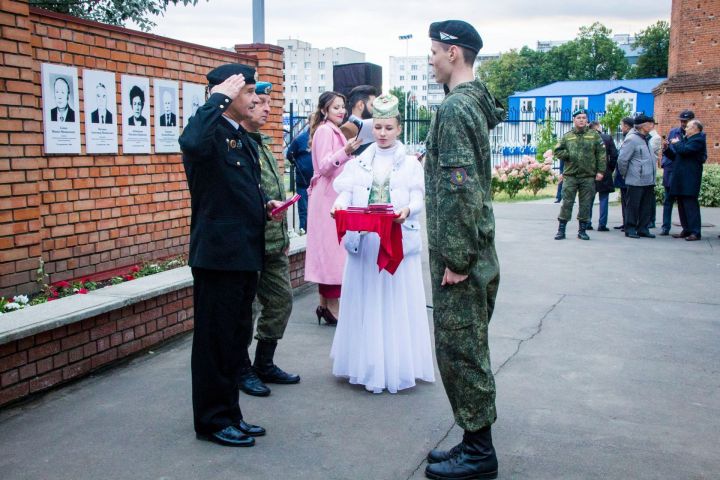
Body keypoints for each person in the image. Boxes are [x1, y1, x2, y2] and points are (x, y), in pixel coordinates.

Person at [179, 64, 284, 447]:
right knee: (214, 343)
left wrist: (265, 203)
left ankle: (230, 414)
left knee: (234, 341)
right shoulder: (208, 134)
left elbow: (235, 188)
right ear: (224, 94)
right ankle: (211, 420)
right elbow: (189, 142)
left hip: (244, 253)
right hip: (218, 259)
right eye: (248, 91)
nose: (256, 98)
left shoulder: (238, 136)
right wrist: (218, 96)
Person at [423, 20, 505, 480]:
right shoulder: (471, 105)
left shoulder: (456, 109)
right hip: (478, 250)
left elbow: (459, 188)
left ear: (453, 53)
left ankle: (479, 453)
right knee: (466, 346)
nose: (430, 60)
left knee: (462, 350)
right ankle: (473, 441)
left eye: (433, 51)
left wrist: (455, 258)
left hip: (464, 258)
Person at [329, 94, 435, 394]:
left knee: (395, 301)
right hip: (365, 244)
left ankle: (398, 365)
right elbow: (345, 193)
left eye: (388, 127)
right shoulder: (360, 160)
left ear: (399, 128)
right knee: (366, 300)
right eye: (378, 127)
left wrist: (408, 211)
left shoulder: (411, 163)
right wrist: (338, 207)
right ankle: (366, 365)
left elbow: (418, 197)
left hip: (396, 242)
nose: (383, 133)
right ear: (371, 128)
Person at [237, 81, 301, 397]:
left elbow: (275, 192)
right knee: (245, 311)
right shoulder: (236, 143)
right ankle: (241, 368)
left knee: (280, 301)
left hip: (274, 241)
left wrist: (285, 235)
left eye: (268, 103)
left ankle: (264, 362)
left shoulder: (263, 142)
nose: (266, 108)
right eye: (260, 102)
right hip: (249, 243)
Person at [304, 92, 362, 325]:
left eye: (342, 107)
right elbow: (325, 165)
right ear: (324, 111)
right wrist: (345, 152)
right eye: (335, 107)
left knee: (329, 252)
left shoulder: (330, 130)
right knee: (331, 253)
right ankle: (332, 307)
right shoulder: (325, 131)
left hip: (329, 195)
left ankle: (324, 305)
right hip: (327, 196)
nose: (341, 111)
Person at [553, 109, 606, 241]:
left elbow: (601, 154)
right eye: (579, 118)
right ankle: (561, 230)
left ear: (587, 120)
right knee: (567, 202)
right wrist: (568, 155)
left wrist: (600, 171)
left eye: (584, 117)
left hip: (588, 176)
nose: (581, 120)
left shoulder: (594, 136)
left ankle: (582, 230)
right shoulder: (567, 136)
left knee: (586, 204)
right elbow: (557, 150)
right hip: (571, 176)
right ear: (574, 120)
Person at [664, 119, 707, 241]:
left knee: (690, 205)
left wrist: (676, 143)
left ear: (695, 129)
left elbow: (684, 150)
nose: (685, 128)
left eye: (688, 127)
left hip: (690, 178)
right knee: (682, 205)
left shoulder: (698, 140)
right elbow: (677, 156)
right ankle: (686, 229)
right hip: (680, 178)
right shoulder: (686, 140)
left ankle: (695, 231)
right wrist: (667, 149)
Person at [617, 115, 657, 239]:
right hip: (636, 179)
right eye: (651, 124)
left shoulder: (645, 138)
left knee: (646, 205)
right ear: (644, 125)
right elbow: (622, 160)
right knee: (633, 206)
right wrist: (625, 174)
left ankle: (643, 228)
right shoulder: (632, 139)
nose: (652, 126)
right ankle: (630, 228)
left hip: (648, 179)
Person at [659, 110, 694, 235]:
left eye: (686, 121)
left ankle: (687, 228)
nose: (683, 124)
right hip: (671, 170)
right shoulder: (674, 132)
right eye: (682, 121)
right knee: (668, 200)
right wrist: (665, 160)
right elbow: (670, 152)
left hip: (683, 172)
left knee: (682, 201)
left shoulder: (695, 134)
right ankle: (665, 227)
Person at [587, 121, 617, 231]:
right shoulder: (607, 138)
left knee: (589, 199)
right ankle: (602, 224)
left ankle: (587, 222)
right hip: (605, 171)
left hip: (590, 172)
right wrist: (610, 168)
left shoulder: (587, 138)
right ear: (598, 127)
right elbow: (614, 155)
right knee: (604, 198)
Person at [286, 127, 313, 233]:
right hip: (303, 181)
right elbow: (290, 155)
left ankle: (313, 231)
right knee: (303, 208)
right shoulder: (300, 139)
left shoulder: (321, 137)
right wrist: (299, 166)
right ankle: (303, 230)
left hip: (318, 182)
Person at [340, 85, 378, 155]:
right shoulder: (346, 129)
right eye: (372, 105)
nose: (375, 109)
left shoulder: (375, 126)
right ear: (360, 105)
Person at [613, 117, 635, 231]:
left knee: (628, 200)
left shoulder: (630, 138)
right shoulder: (627, 136)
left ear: (626, 126)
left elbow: (623, 158)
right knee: (624, 200)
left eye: (621, 125)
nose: (621, 128)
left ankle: (628, 223)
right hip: (624, 175)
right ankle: (625, 221)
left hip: (626, 175)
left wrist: (622, 172)